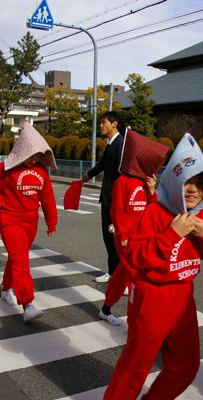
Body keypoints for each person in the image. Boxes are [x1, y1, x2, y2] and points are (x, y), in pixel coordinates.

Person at [103, 133, 203, 400]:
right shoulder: (155, 212)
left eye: (200, 183)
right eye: (187, 182)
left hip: (184, 298)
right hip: (152, 297)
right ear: (174, 181)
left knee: (186, 366)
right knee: (136, 367)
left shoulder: (202, 213)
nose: (193, 189)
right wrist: (172, 234)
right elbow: (134, 256)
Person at [0, 122, 57, 322]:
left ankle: (6, 287)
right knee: (21, 260)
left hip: (31, 220)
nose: (34, 158)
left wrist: (51, 223)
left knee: (16, 257)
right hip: (10, 219)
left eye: (38, 155)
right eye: (31, 154)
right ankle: (27, 304)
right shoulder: (6, 167)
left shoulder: (42, 170)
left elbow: (48, 197)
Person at [99, 127, 169, 326]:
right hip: (126, 238)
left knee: (122, 275)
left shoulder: (144, 182)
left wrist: (152, 191)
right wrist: (121, 236)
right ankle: (141, 317)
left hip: (140, 237)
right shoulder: (123, 181)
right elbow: (116, 211)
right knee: (137, 275)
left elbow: (152, 210)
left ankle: (106, 309)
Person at [82, 111, 124, 283]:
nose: (101, 125)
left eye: (104, 122)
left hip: (116, 199)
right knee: (109, 236)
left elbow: (124, 172)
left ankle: (122, 276)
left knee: (117, 237)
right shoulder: (111, 144)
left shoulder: (121, 144)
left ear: (115, 124)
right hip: (108, 197)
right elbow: (103, 164)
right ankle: (113, 272)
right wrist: (89, 174)